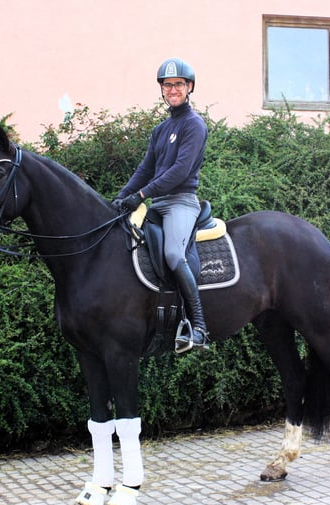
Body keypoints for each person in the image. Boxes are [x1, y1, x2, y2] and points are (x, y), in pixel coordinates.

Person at [113, 57, 209, 352]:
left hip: (181, 202)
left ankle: (199, 327)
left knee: (171, 253)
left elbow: (179, 171)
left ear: (189, 87)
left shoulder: (194, 125)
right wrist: (120, 197)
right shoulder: (160, 130)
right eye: (167, 85)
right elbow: (145, 169)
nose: (172, 89)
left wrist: (140, 196)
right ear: (162, 90)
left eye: (178, 84)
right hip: (159, 204)